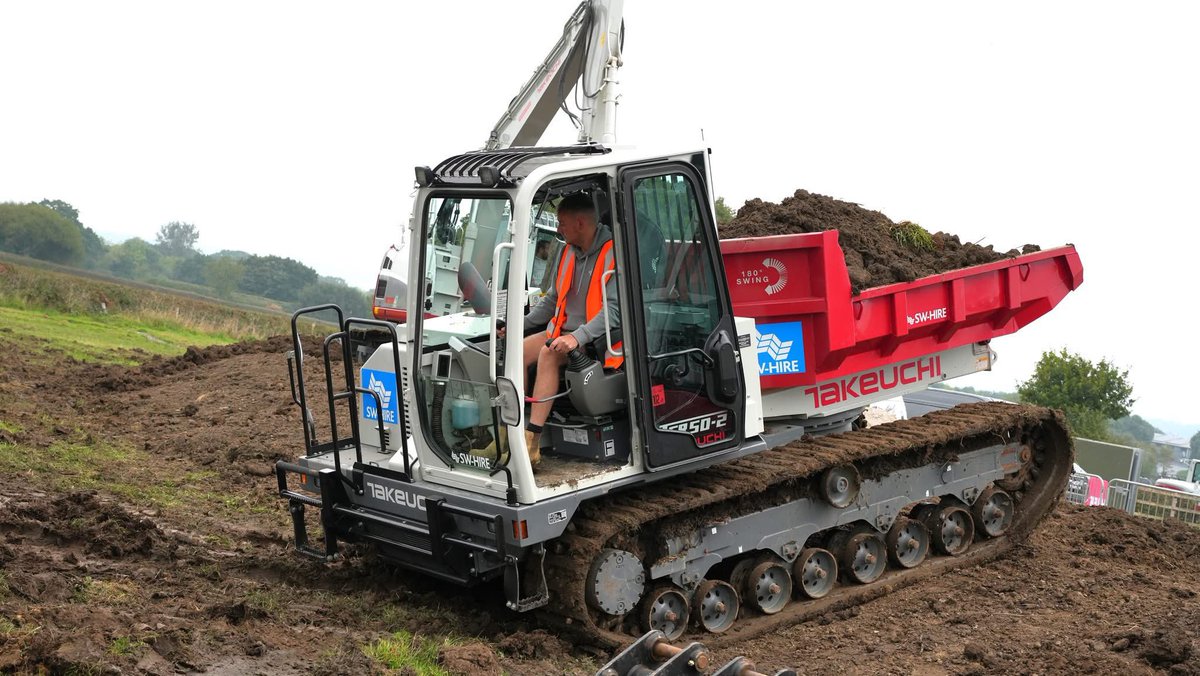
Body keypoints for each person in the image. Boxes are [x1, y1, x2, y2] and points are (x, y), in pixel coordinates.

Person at [518, 193, 622, 465]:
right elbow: (552, 299)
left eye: (562, 223)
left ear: (579, 223)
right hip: (563, 331)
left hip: (595, 338)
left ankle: (532, 443)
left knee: (548, 354)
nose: (558, 229)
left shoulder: (614, 252)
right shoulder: (567, 251)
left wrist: (578, 337)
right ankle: (513, 431)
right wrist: (519, 324)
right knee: (519, 352)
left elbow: (613, 311)